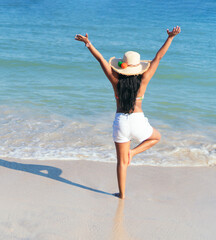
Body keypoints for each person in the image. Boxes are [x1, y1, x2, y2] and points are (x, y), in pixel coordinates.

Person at [75, 26, 181, 199]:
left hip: (121, 122)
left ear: (121, 67)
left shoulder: (115, 81)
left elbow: (100, 59)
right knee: (156, 137)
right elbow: (158, 57)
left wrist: (88, 43)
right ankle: (133, 152)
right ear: (138, 68)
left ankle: (122, 194)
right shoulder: (144, 80)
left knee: (121, 162)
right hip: (138, 121)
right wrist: (170, 38)